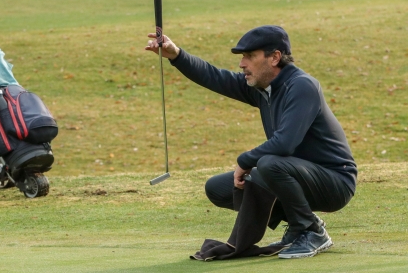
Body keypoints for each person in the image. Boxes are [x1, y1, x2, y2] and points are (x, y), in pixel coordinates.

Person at [145, 25, 357, 259]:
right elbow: (214, 77)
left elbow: (284, 144)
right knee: (218, 189)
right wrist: (176, 55)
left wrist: (244, 160)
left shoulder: (302, 86)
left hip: (335, 182)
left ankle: (311, 231)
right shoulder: (262, 87)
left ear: (274, 57)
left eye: (250, 56)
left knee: (268, 164)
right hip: (294, 175)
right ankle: (300, 220)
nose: (242, 63)